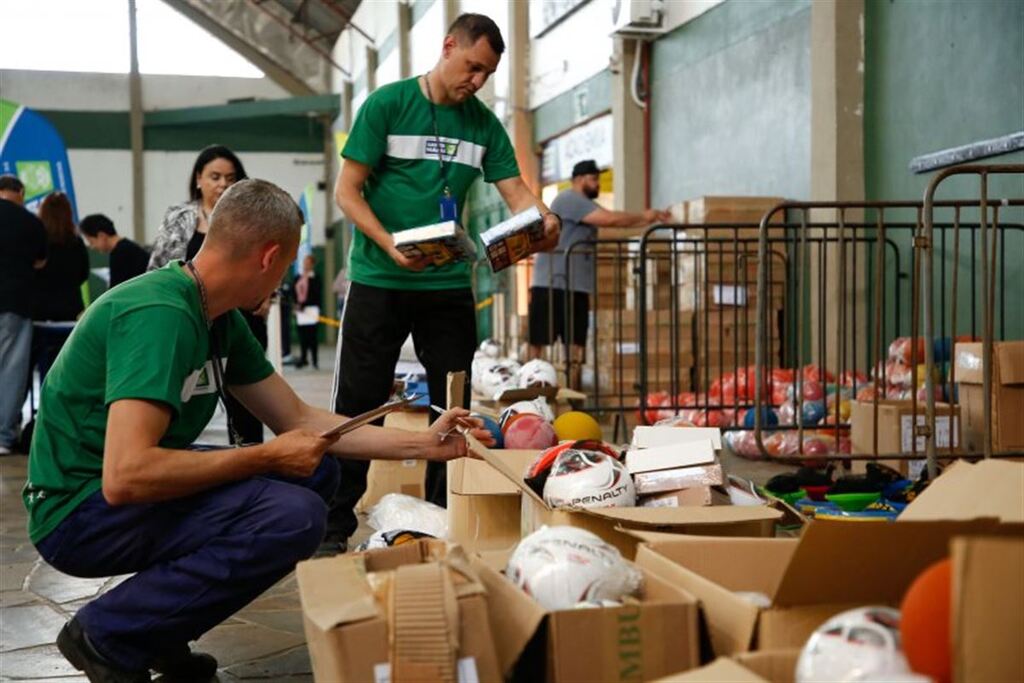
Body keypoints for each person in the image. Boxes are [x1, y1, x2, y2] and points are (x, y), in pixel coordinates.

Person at [24, 179, 491, 683]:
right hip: (77, 511)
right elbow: (126, 475)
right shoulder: (160, 314)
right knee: (292, 516)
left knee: (316, 474)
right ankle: (110, 633)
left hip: (117, 493)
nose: (282, 280)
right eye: (286, 266)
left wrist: (428, 443)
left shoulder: (218, 318)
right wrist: (265, 457)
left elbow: (301, 419)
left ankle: (157, 627)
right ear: (270, 257)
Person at [328, 12, 560, 551]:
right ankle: (332, 523)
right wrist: (389, 243)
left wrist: (544, 219)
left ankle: (439, 517)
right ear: (448, 45)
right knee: (358, 404)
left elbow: (516, 193)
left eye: (487, 74)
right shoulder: (387, 105)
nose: (476, 81)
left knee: (451, 406)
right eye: (472, 66)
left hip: (447, 286)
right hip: (379, 279)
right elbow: (346, 190)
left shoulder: (483, 124)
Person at [149, 145, 269, 445]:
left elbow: (269, 265)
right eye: (215, 177)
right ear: (198, 178)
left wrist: (269, 293)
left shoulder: (253, 219)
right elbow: (157, 269)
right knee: (184, 393)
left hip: (241, 322)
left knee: (247, 401)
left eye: (231, 177)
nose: (222, 184)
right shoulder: (179, 217)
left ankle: (250, 455)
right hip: (189, 321)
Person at [528, 159, 670, 377]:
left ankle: (572, 388)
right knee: (540, 339)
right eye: (593, 179)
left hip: (574, 284)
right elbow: (610, 220)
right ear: (579, 180)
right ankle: (529, 384)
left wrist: (648, 220)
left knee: (575, 341)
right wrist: (645, 216)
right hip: (554, 282)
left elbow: (615, 221)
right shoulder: (569, 199)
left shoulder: (583, 204)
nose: (598, 184)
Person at [0, 175, 47, 455]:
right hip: (14, 303)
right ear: (19, 192)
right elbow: (40, 262)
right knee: (10, 370)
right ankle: (3, 436)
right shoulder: (30, 222)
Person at [32, 192, 90, 380]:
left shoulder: (37, 242)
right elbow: (83, 275)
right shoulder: (77, 243)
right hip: (70, 313)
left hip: (39, 315)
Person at [79, 214, 149, 289]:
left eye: (91, 242)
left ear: (101, 236)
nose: (92, 247)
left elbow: (116, 290)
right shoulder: (127, 248)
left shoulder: (120, 254)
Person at [293, 253, 322, 369]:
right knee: (302, 335)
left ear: (312, 264)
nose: (306, 265)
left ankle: (315, 360)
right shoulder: (298, 277)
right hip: (300, 310)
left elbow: (316, 293)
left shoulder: (315, 277)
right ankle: (303, 358)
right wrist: (296, 304)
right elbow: (293, 291)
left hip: (311, 309)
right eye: (305, 262)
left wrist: (305, 304)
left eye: (308, 263)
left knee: (312, 336)